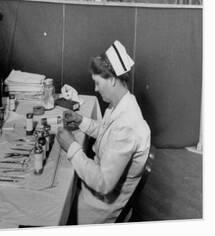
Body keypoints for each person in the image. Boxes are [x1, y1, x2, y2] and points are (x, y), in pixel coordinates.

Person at [56, 40, 151, 224]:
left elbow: (103, 183)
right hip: (95, 191)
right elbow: (107, 132)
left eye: (98, 83)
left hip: (99, 209)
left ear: (113, 80)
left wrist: (72, 147)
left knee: (51, 205)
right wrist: (81, 121)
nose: (95, 89)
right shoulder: (121, 104)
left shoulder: (127, 126)